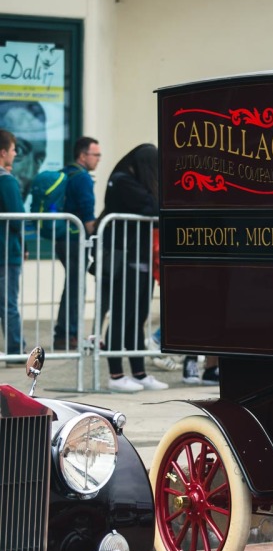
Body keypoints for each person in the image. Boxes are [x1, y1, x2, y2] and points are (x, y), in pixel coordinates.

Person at [98, 144, 168, 392]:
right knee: (122, 315)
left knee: (138, 316)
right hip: (124, 257)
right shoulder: (122, 181)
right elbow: (153, 205)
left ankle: (139, 372)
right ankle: (116, 375)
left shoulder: (130, 180)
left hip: (139, 256)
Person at [52, 136, 101, 351]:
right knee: (75, 287)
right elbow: (88, 214)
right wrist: (98, 236)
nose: (98, 159)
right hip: (74, 239)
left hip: (62, 237)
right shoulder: (82, 178)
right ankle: (68, 334)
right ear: (83, 155)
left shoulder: (65, 172)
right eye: (95, 154)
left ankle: (64, 333)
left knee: (72, 285)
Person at [0, 129, 25, 362]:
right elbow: (18, 217)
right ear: (3, 152)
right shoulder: (6, 180)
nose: (15, 154)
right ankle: (16, 350)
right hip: (7, 251)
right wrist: (24, 244)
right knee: (9, 303)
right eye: (13, 149)